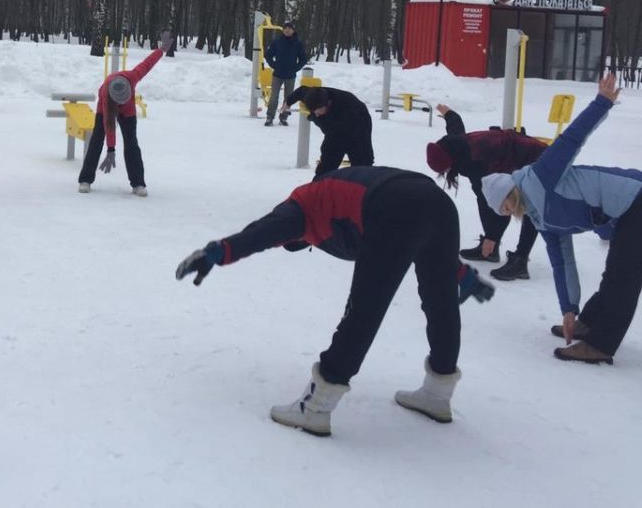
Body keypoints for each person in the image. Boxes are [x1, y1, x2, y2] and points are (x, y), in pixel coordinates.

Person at [175, 166, 492, 437]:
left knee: (364, 309)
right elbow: (415, 238)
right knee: (441, 301)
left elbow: (262, 232)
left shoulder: (300, 206)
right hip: (434, 202)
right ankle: (438, 393)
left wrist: (216, 252)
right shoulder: (330, 202)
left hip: (394, 204)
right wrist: (461, 276)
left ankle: (316, 406)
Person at [481, 73, 642, 365]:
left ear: (509, 193)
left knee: (624, 277)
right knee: (615, 272)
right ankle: (588, 322)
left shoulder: (539, 177)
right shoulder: (540, 217)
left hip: (634, 198)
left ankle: (601, 345)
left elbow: (571, 140)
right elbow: (562, 261)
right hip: (624, 212)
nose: (506, 215)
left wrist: (601, 103)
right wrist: (569, 309)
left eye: (503, 208)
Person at [427, 104, 548, 280]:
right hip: (520, 155)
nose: (445, 173)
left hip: (537, 158)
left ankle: (520, 260)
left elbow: (495, 202)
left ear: (451, 161)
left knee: (528, 205)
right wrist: (448, 113)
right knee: (500, 200)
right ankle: (492, 249)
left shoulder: (475, 161)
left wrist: (492, 236)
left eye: (444, 170)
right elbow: (455, 125)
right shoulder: (455, 144)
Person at [78, 31, 173, 196]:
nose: (121, 103)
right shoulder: (107, 96)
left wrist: (161, 50)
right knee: (96, 140)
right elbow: (109, 124)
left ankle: (138, 183)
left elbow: (147, 63)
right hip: (104, 109)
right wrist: (111, 150)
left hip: (128, 113)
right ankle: (85, 179)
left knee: (132, 144)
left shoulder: (133, 76)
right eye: (119, 102)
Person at [282, 85, 374, 175]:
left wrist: (313, 117)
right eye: (313, 111)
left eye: (319, 111)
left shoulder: (345, 110)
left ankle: (364, 185)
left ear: (328, 103)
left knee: (362, 162)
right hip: (335, 129)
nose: (316, 114)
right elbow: (301, 90)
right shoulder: (313, 96)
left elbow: (331, 132)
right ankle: (320, 185)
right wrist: (288, 102)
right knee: (327, 164)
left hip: (359, 123)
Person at [264, 22, 308, 126]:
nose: (287, 30)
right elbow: (268, 55)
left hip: (290, 76)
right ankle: (269, 117)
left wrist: (296, 68)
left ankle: (283, 117)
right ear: (283, 30)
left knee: (288, 98)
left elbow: (303, 59)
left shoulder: (298, 44)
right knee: (273, 97)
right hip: (277, 74)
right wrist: (273, 65)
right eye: (285, 28)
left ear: (293, 31)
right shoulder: (277, 42)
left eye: (290, 29)